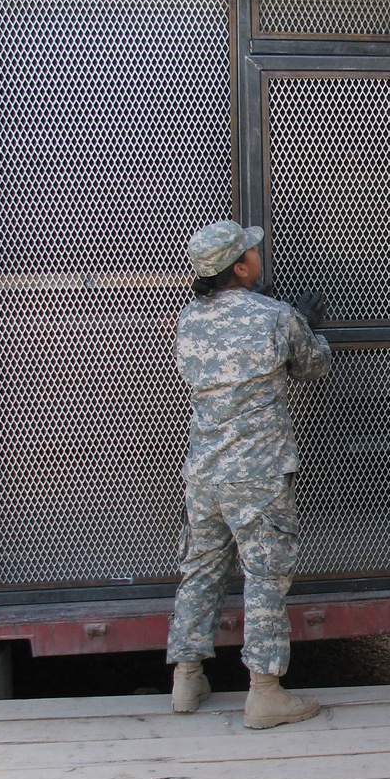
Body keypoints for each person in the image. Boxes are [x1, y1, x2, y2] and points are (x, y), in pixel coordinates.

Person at [167, 219, 331, 729]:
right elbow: (314, 367)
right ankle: (264, 692)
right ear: (239, 267)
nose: (259, 254)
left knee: (201, 570)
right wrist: (307, 325)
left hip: (204, 471)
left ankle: (187, 678)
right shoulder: (274, 316)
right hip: (258, 473)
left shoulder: (188, 318)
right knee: (263, 576)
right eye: (252, 251)